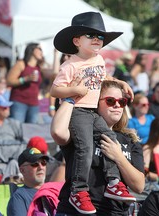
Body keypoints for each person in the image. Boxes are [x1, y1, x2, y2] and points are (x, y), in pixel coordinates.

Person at [50, 12, 135, 214]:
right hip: (77, 112)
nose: (97, 39)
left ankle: (114, 181)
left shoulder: (98, 59)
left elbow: (103, 77)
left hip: (93, 112)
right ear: (77, 41)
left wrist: (119, 82)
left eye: (100, 37)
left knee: (110, 138)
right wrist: (74, 91)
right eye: (91, 35)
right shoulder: (69, 65)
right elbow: (55, 90)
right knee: (85, 149)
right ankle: (78, 192)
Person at [51, 80, 145, 215]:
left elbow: (139, 186)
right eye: (110, 100)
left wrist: (118, 157)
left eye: (122, 101)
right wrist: (72, 97)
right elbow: (58, 132)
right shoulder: (80, 131)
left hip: (114, 212)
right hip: (76, 211)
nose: (117, 105)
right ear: (95, 102)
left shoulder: (130, 140)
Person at [0, 94, 26, 182]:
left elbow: (24, 142)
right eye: (4, 107)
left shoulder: (14, 123)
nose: (8, 109)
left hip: (14, 157)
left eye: (8, 106)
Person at [7, 147, 49, 216]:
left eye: (43, 162)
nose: (41, 167)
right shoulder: (18, 198)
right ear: (22, 170)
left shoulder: (52, 191)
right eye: (35, 164)